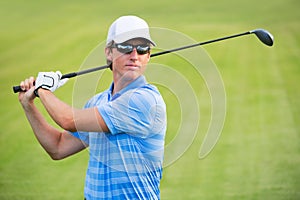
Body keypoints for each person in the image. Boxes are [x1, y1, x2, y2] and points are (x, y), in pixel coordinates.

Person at [18, 15, 167, 200]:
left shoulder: (145, 100)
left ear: (149, 56)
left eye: (142, 48)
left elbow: (68, 120)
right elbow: (57, 148)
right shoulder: (98, 102)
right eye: (126, 47)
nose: (134, 56)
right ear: (109, 52)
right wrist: (28, 105)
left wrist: (42, 89)